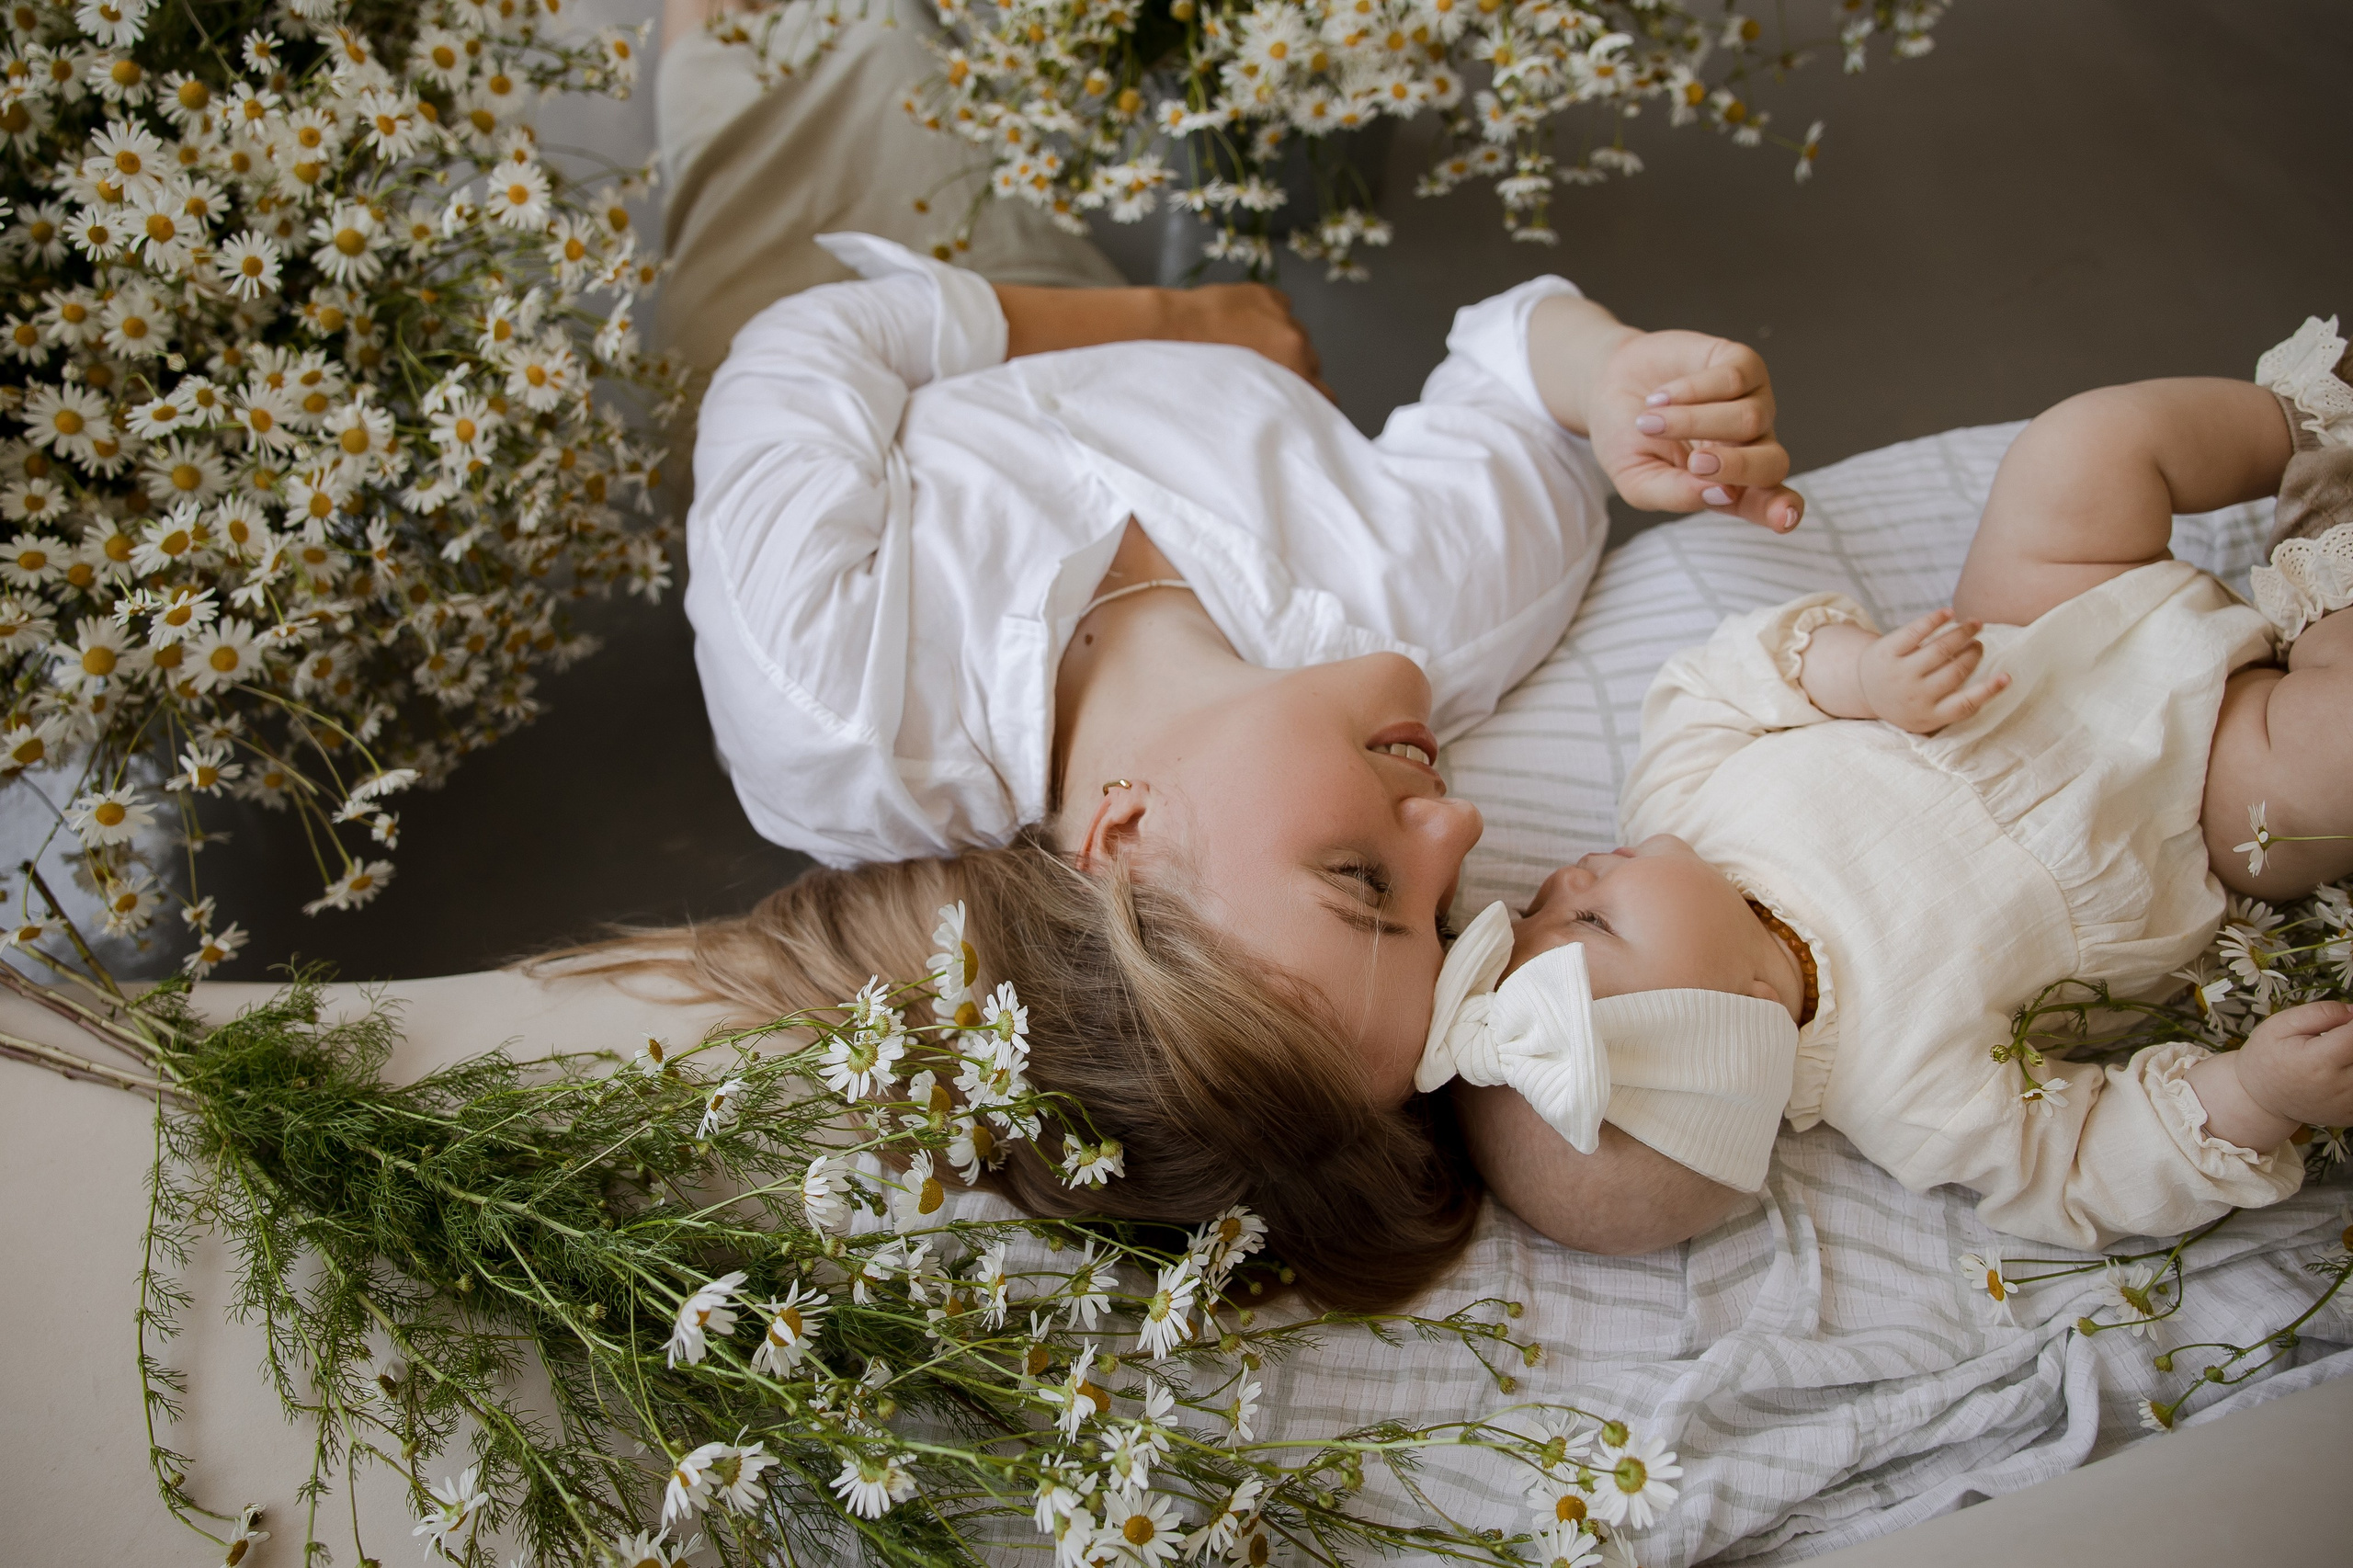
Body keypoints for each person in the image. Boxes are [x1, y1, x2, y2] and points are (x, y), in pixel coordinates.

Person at [632, 0, 1805, 1307]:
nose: (1456, 822)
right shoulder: (1442, 598)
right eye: (1439, 906)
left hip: (805, 309)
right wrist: (1622, 377)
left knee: (756, 68)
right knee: (914, 60)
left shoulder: (836, 704)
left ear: (1123, 840)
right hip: (1017, 277)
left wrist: (1189, 319)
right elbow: (1516, 364)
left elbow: (808, 340)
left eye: (1364, 876)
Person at [1426, 321, 2353, 1257]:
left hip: (2034, 631)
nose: (1569, 878)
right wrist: (2254, 1095)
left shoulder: (1681, 803)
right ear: (1741, 1007)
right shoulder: (1906, 1089)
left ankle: (2316, 428)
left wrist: (1861, 676)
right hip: (2198, 799)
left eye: (1537, 899)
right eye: (1591, 922)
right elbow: (2075, 1164)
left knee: (2077, 450)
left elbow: (1722, 675)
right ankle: (2329, 552)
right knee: (2333, 754)